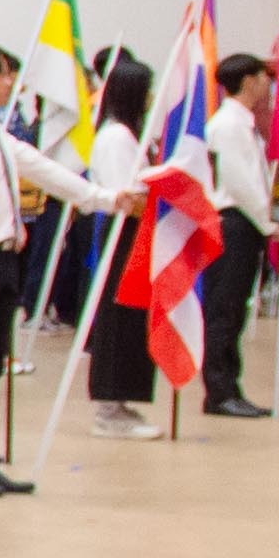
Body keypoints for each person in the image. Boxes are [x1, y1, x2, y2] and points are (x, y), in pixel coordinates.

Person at [0, 45, 113, 493]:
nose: (9, 83)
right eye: (1, 74)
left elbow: (43, 169)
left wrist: (104, 199)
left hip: (3, 255)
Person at [80, 50, 165, 432]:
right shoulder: (116, 137)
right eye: (147, 89)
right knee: (119, 316)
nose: (152, 97)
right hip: (123, 234)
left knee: (133, 317)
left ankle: (123, 401)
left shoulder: (131, 136)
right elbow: (125, 196)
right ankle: (108, 408)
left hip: (139, 233)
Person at [198, 52, 277, 416]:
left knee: (234, 309)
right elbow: (239, 183)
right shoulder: (228, 125)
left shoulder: (242, 123)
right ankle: (219, 391)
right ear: (248, 81)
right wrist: (270, 222)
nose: (267, 84)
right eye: (263, 77)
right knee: (224, 308)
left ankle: (230, 386)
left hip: (246, 222)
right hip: (233, 220)